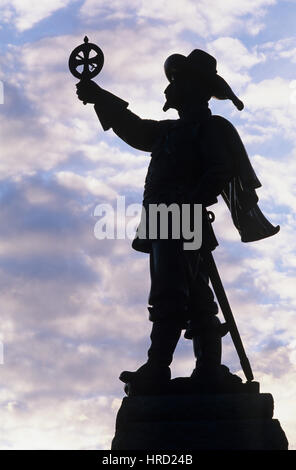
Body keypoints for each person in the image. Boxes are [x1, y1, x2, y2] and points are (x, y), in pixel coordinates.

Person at [76, 49, 279, 391]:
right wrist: (100, 97)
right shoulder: (169, 131)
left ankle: (159, 367)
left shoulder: (210, 128)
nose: (168, 89)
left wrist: (192, 201)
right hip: (163, 218)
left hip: (179, 218)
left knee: (170, 291)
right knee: (196, 295)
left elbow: (220, 169)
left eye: (175, 82)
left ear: (192, 88)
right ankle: (208, 367)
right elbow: (137, 130)